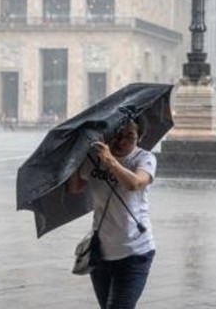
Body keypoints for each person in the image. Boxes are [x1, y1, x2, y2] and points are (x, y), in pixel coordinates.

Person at [67, 117, 156, 309]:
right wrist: (75, 156)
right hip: (101, 253)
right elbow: (74, 188)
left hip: (135, 252)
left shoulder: (144, 158)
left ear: (140, 137)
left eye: (129, 136)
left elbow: (134, 184)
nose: (121, 141)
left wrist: (110, 161)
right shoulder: (94, 157)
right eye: (117, 134)